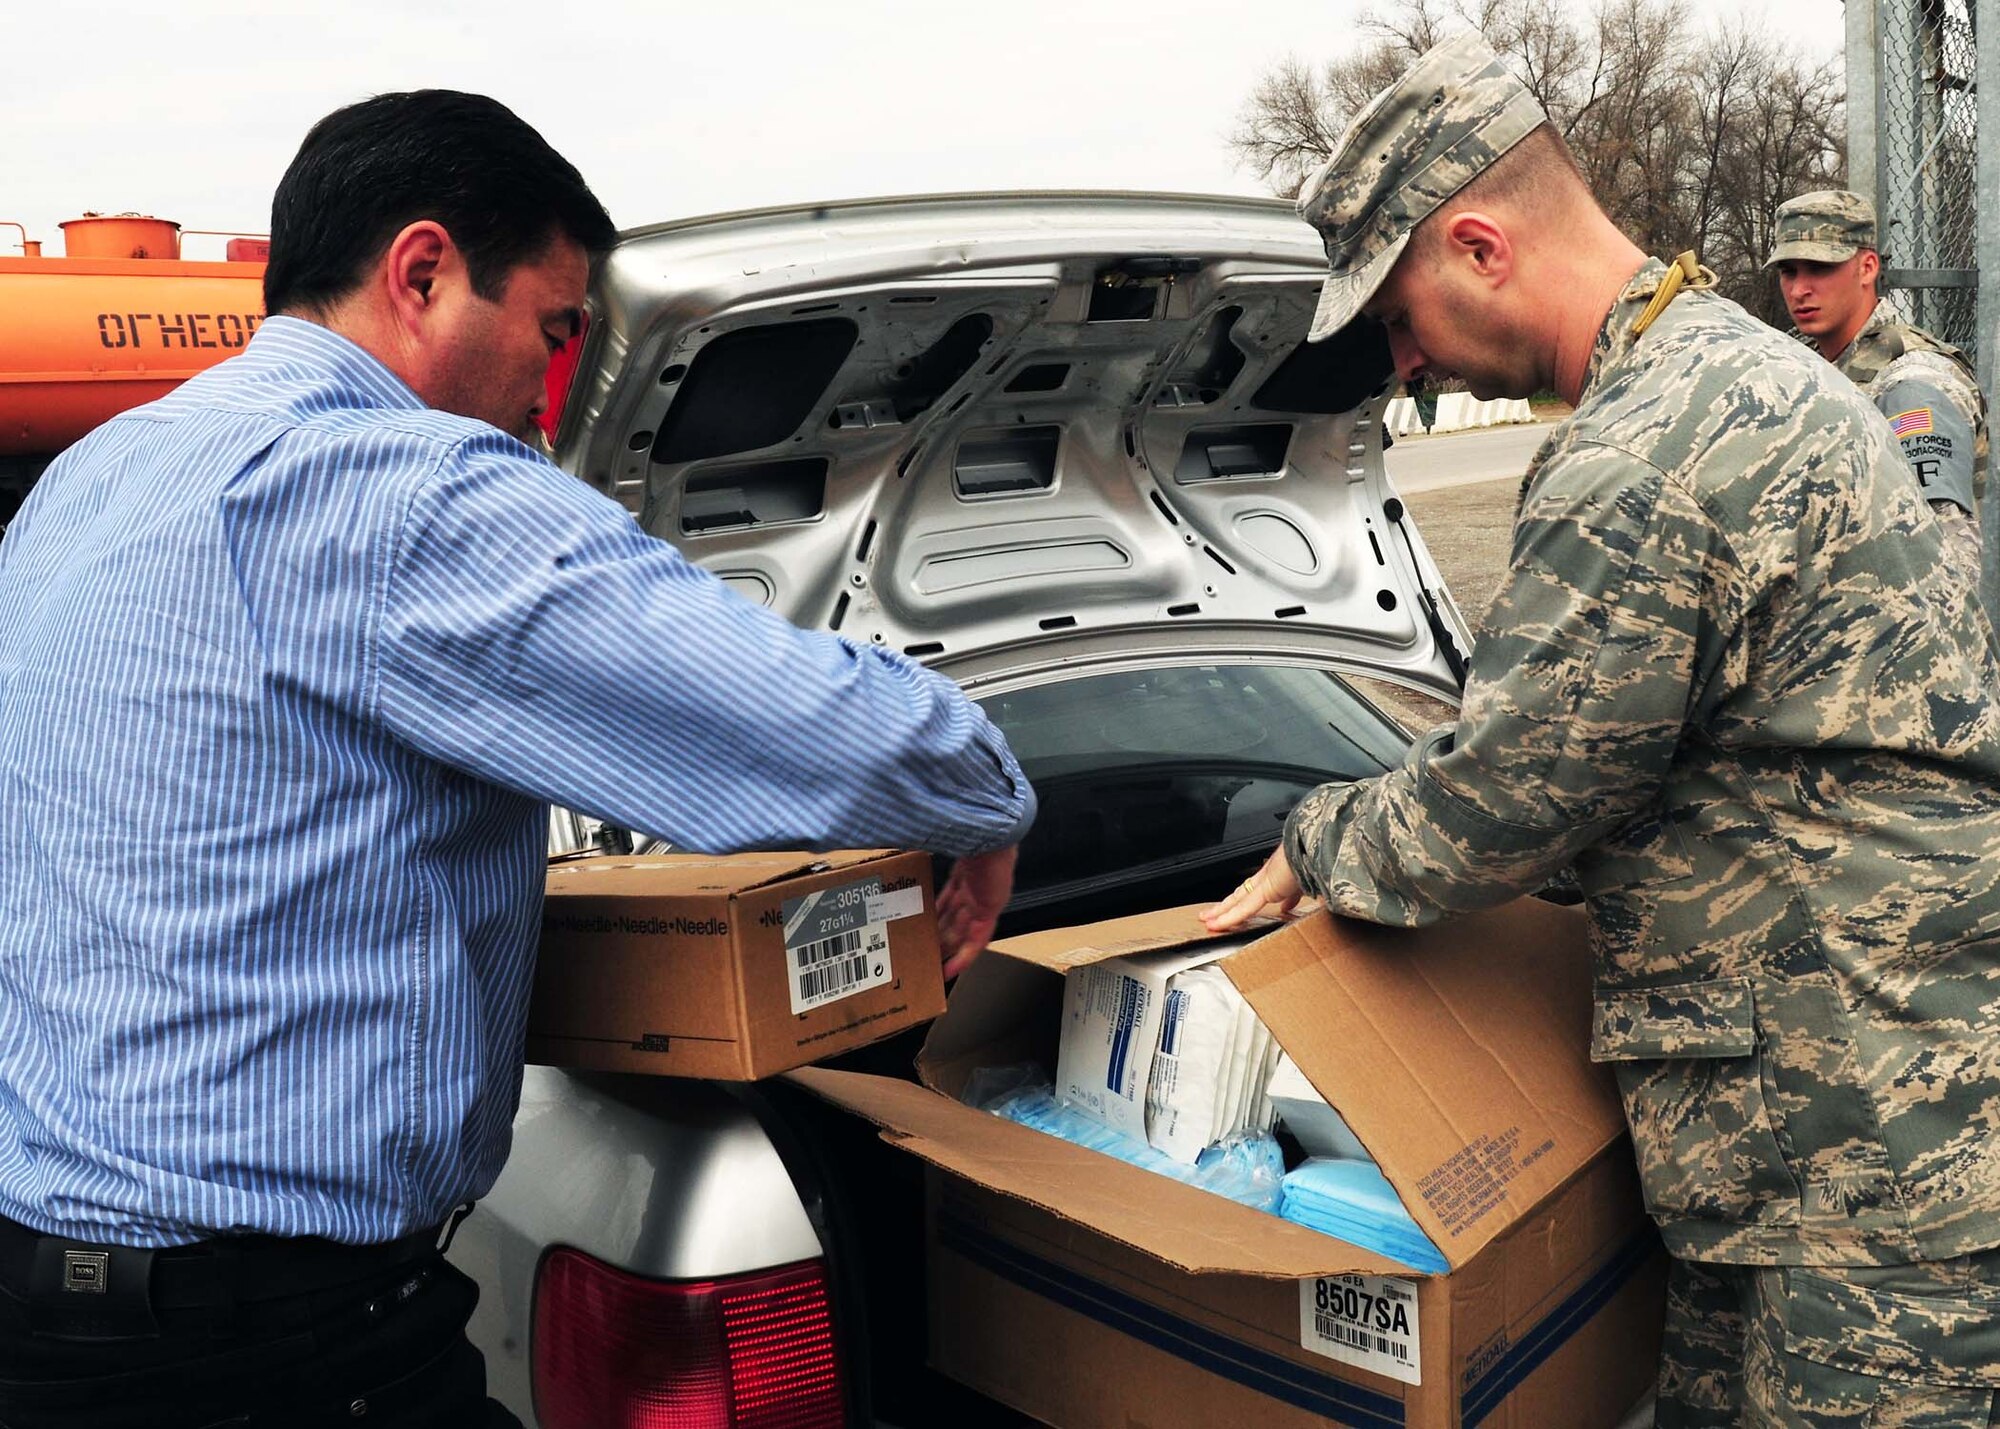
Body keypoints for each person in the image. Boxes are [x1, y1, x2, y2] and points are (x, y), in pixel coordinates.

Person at [0, 91, 1033, 1427]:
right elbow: (805, 720)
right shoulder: (395, 487)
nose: (548, 404)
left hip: (46, 1319)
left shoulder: (92, 481)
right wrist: (989, 791)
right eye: (553, 332)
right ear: (422, 272)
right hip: (267, 1350)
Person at [1204, 34, 2000, 1428]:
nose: (1402, 365)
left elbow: (1516, 790)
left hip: (1866, 1154)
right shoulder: (1733, 369)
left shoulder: (1646, 449)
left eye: (1397, 315)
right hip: (1826, 1130)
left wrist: (1316, 839)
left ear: (1477, 243)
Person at [1767, 189, 1989, 596]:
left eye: (1818, 268)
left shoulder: (1913, 385)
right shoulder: (1797, 365)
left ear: (1867, 267)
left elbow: (1946, 572)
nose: (1800, 289)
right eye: (1789, 271)